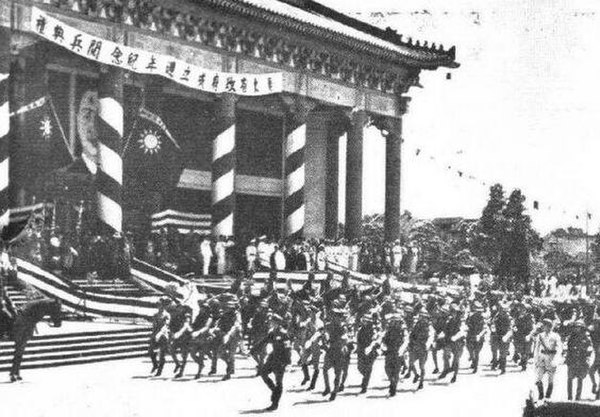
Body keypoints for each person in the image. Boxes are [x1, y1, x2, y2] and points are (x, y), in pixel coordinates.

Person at [252, 313, 291, 411]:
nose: (270, 323)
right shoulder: (272, 332)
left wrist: (288, 362)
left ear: (277, 323)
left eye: (272, 322)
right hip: (273, 357)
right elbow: (264, 341)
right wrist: (254, 349)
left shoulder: (284, 333)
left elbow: (288, 349)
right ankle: (274, 391)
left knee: (279, 382)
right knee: (263, 373)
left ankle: (275, 403)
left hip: (281, 359)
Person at [533, 318, 562, 400]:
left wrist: (556, 360)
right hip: (542, 357)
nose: (545, 327)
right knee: (538, 378)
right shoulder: (540, 336)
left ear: (550, 326)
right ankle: (540, 395)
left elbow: (559, 348)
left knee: (551, 378)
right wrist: (535, 359)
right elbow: (536, 348)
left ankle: (548, 396)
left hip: (551, 357)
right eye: (544, 326)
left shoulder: (555, 336)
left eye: (547, 326)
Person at [565, 319, 594, 401]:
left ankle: (578, 396)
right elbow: (567, 347)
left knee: (580, 378)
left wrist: (586, 354)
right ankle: (569, 397)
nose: (577, 329)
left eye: (579, 327)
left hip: (582, 360)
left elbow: (590, 348)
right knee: (570, 378)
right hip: (572, 359)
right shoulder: (571, 337)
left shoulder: (586, 337)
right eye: (576, 327)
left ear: (582, 328)